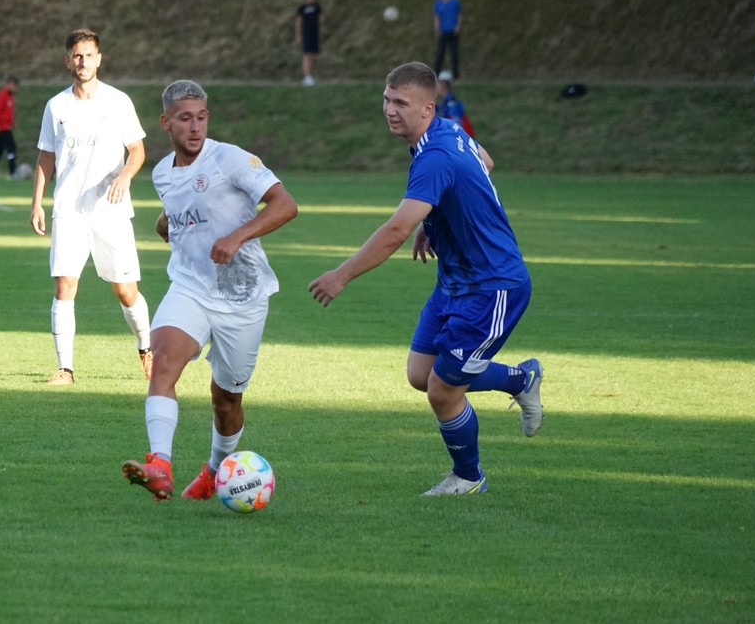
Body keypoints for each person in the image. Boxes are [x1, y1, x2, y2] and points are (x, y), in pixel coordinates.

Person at [308, 62, 542, 497]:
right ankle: (519, 379)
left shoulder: (434, 156)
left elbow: (395, 229)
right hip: (455, 281)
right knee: (421, 373)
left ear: (426, 108)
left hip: (492, 287)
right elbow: (485, 161)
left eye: (400, 103)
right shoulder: (446, 130)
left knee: (442, 390)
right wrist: (432, 218)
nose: (389, 110)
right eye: (386, 99)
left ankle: (468, 477)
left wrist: (342, 275)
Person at [122, 79, 298, 502]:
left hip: (242, 296)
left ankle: (215, 470)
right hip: (190, 287)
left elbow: (285, 205)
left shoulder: (230, 158)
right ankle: (159, 465)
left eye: (201, 117)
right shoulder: (162, 173)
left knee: (226, 400)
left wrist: (237, 236)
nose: (195, 126)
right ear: (165, 122)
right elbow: (178, 211)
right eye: (185, 118)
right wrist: (167, 223)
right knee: (163, 361)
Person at [30, 28, 153, 386]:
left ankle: (147, 349)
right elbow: (46, 157)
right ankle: (65, 369)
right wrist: (37, 203)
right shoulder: (56, 106)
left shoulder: (118, 102)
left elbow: (137, 150)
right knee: (64, 286)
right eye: (76, 55)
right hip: (68, 210)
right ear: (67, 60)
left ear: (99, 59)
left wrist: (125, 177)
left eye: (88, 55)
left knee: (125, 290)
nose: (82, 61)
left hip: (110, 210)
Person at [435, 70, 478, 143]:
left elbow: (455, 125)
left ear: (443, 85)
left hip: (460, 141)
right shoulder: (444, 103)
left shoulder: (452, 103)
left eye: (437, 84)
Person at [294, 0, 322, 86]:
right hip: (306, 33)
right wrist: (298, 35)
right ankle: (307, 76)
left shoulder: (317, 7)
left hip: (315, 33)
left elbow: (320, 19)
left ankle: (309, 74)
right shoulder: (302, 8)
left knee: (314, 55)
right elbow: (298, 22)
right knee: (306, 54)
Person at [433, 0, 461, 80]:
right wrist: (437, 28)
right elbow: (437, 17)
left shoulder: (454, 2)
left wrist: (458, 26)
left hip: (453, 31)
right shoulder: (438, 3)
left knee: (454, 54)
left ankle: (456, 76)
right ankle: (436, 75)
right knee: (440, 53)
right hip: (443, 31)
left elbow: (459, 15)